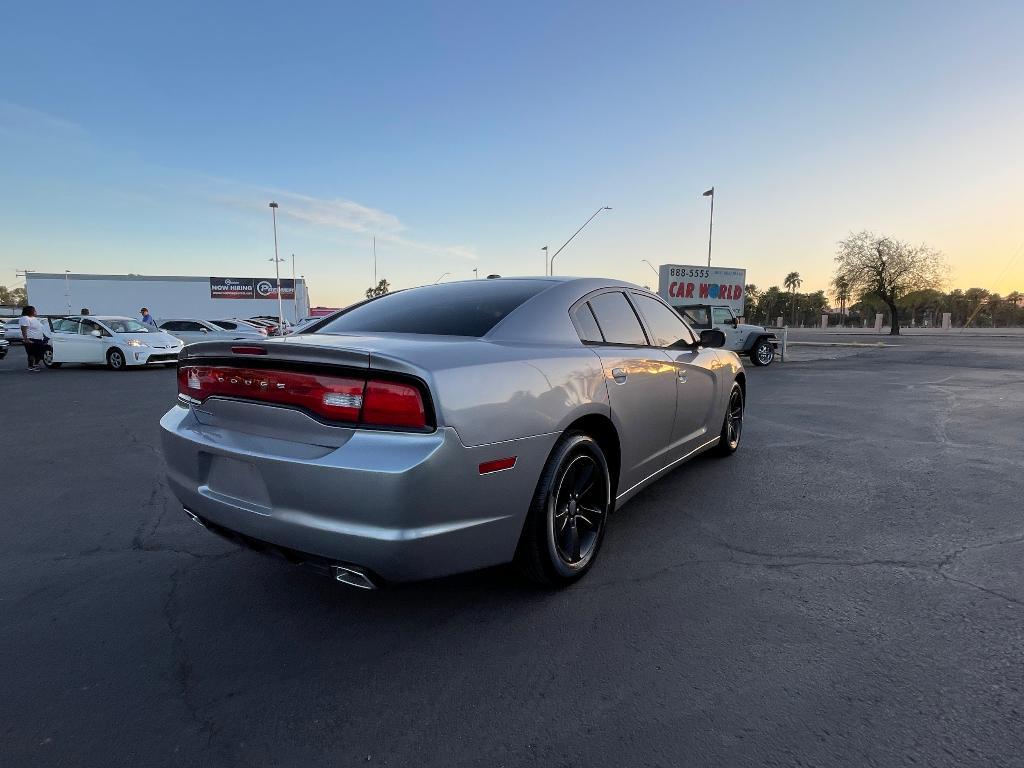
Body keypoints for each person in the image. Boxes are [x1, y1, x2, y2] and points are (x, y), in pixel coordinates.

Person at [19, 305, 48, 372]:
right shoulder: (25, 318)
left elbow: (40, 328)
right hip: (31, 338)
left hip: (39, 339)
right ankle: (30, 366)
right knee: (31, 353)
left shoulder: (34, 318)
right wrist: (26, 339)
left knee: (39, 353)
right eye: (34, 310)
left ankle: (36, 365)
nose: (36, 311)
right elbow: (24, 329)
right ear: (30, 311)